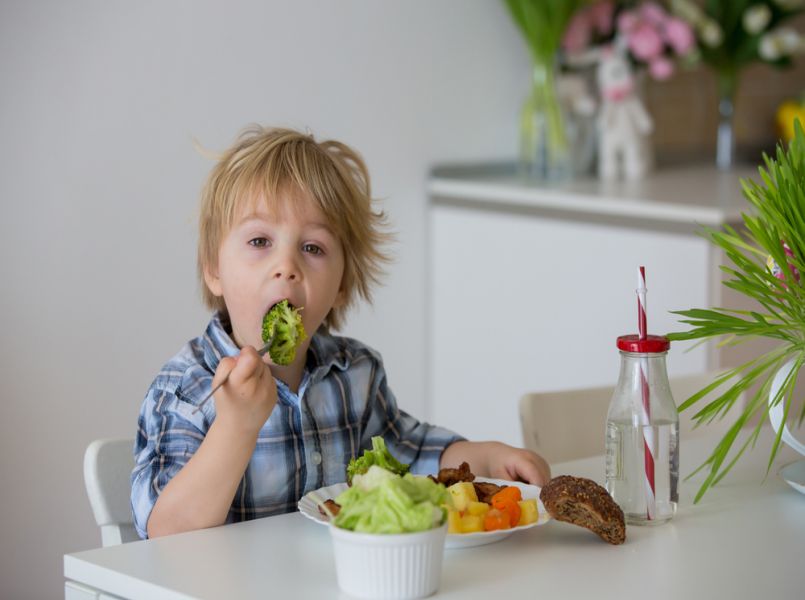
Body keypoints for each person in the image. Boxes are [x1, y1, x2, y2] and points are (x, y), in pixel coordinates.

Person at [131, 126, 551, 539]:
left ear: (342, 284)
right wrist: (236, 425)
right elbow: (166, 532)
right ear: (213, 269)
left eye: (312, 248)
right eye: (260, 241)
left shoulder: (356, 375)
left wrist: (490, 458)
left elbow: (415, 452)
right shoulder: (187, 390)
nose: (286, 265)